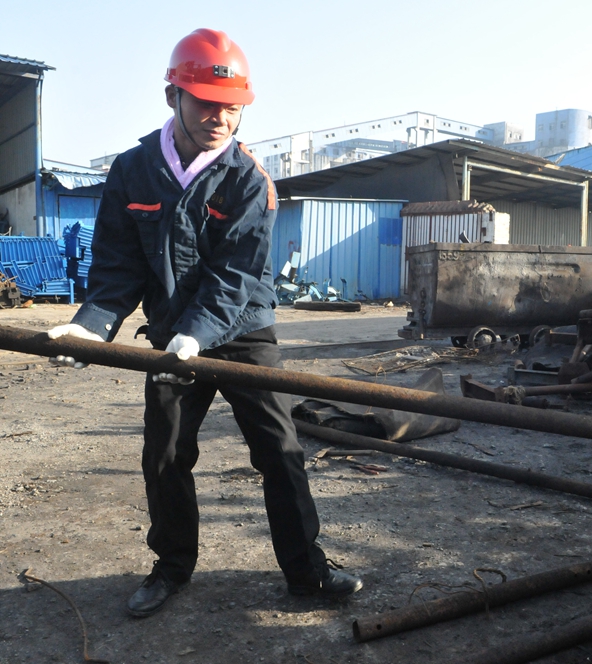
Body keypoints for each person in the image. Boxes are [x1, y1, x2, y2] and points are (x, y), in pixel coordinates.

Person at [46, 29, 362, 618]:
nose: (222, 118)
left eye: (233, 107)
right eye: (208, 104)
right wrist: (91, 326)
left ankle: (307, 572)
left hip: (242, 331)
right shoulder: (133, 171)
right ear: (173, 97)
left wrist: (199, 333)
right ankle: (171, 567)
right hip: (172, 336)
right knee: (165, 454)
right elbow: (116, 267)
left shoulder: (249, 179)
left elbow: (235, 274)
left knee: (279, 450)